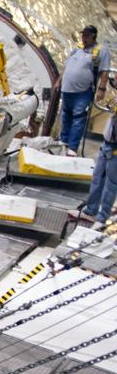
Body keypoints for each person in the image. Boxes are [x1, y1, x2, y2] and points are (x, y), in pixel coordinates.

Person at [58, 26, 110, 155]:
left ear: (93, 36)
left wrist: (101, 89)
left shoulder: (101, 51)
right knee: (66, 116)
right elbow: (67, 67)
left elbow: (104, 71)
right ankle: (64, 140)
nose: (84, 38)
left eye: (87, 36)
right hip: (67, 90)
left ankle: (73, 147)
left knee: (78, 118)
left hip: (83, 92)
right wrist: (59, 81)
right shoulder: (77, 50)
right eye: (83, 35)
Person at [75, 75, 117, 225]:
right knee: (98, 178)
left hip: (115, 147)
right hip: (107, 143)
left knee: (111, 184)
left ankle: (102, 217)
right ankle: (90, 210)